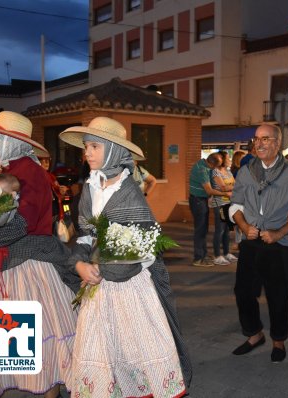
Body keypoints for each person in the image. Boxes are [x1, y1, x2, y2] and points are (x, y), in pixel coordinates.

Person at [59, 116, 189, 397]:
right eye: (86, 147)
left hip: (130, 288)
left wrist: (101, 267)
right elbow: (85, 234)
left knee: (136, 347)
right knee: (102, 349)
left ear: (114, 150)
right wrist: (80, 263)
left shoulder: (130, 193)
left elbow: (143, 247)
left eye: (94, 146)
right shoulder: (90, 188)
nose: (87, 153)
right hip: (98, 288)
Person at [0, 111, 76, 398]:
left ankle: (46, 391)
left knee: (25, 335)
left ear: (7, 141)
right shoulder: (18, 170)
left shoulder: (26, 173)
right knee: (36, 335)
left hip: (25, 265)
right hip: (17, 264)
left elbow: (19, 226)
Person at [229, 123, 288, 363]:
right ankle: (254, 334)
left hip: (279, 245)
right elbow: (235, 206)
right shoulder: (246, 171)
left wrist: (279, 233)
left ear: (277, 144)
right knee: (243, 292)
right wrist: (245, 227)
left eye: (265, 139)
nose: (260, 143)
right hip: (251, 242)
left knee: (278, 296)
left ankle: (278, 341)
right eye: (257, 139)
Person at [188, 153, 230, 267]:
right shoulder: (202, 170)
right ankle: (198, 258)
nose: (216, 168)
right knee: (200, 230)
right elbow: (209, 191)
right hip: (198, 201)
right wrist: (225, 193)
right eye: (216, 166)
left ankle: (203, 255)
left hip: (199, 200)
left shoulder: (203, 164)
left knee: (203, 229)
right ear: (212, 164)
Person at [210, 150, 237, 265]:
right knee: (220, 230)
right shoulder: (215, 172)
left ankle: (226, 253)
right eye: (227, 159)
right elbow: (223, 188)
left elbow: (235, 184)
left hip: (229, 204)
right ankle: (217, 255)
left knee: (227, 230)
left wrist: (231, 187)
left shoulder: (228, 172)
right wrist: (232, 187)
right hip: (220, 204)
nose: (229, 160)